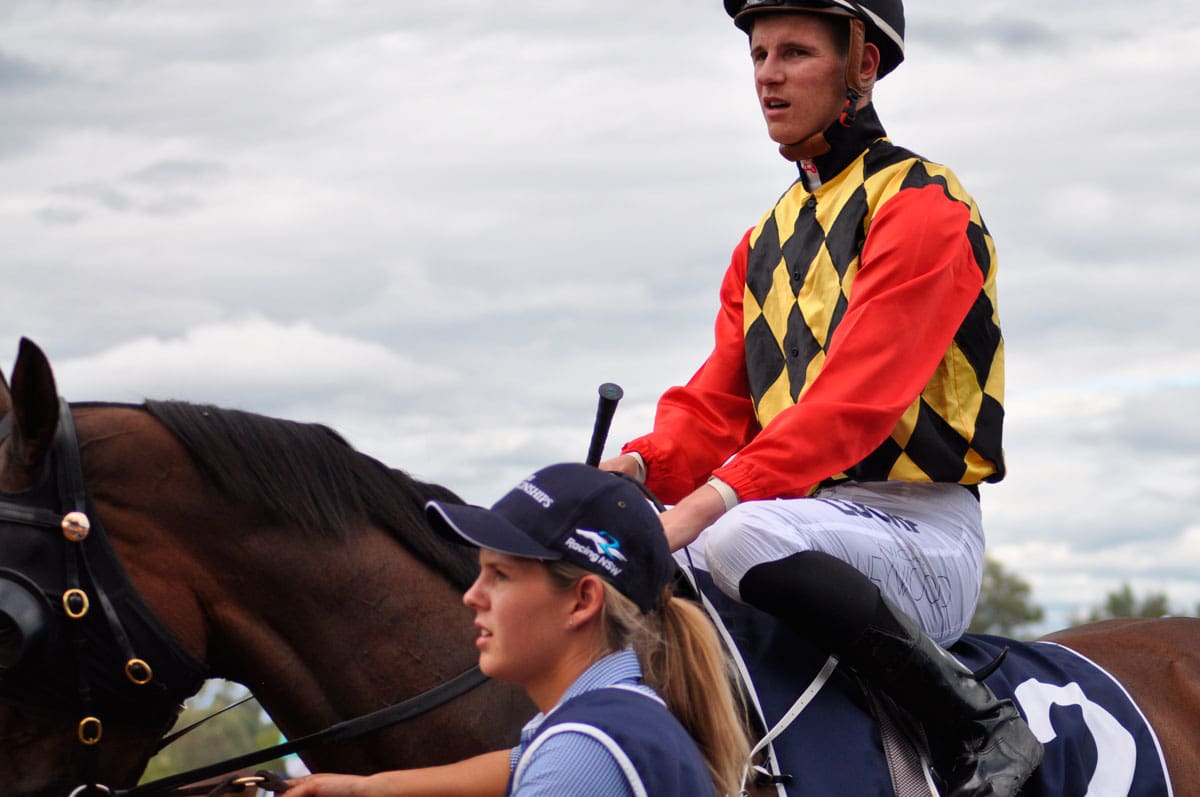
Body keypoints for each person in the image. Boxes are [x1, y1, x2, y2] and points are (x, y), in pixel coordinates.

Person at [599, 2, 1043, 796]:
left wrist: (705, 504)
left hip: (919, 531)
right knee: (632, 561)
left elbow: (854, 404)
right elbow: (713, 408)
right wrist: (631, 470)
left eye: (796, 52)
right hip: (799, 523)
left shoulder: (924, 205)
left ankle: (976, 723)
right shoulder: (763, 240)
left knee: (731, 534)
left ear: (862, 67)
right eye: (760, 54)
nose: (768, 74)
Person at [284, 463, 750, 797]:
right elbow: (517, 765)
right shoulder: (613, 721)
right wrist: (366, 789)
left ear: (582, 601)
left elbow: (550, 764)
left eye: (500, 576)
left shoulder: (580, 753)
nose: (473, 595)